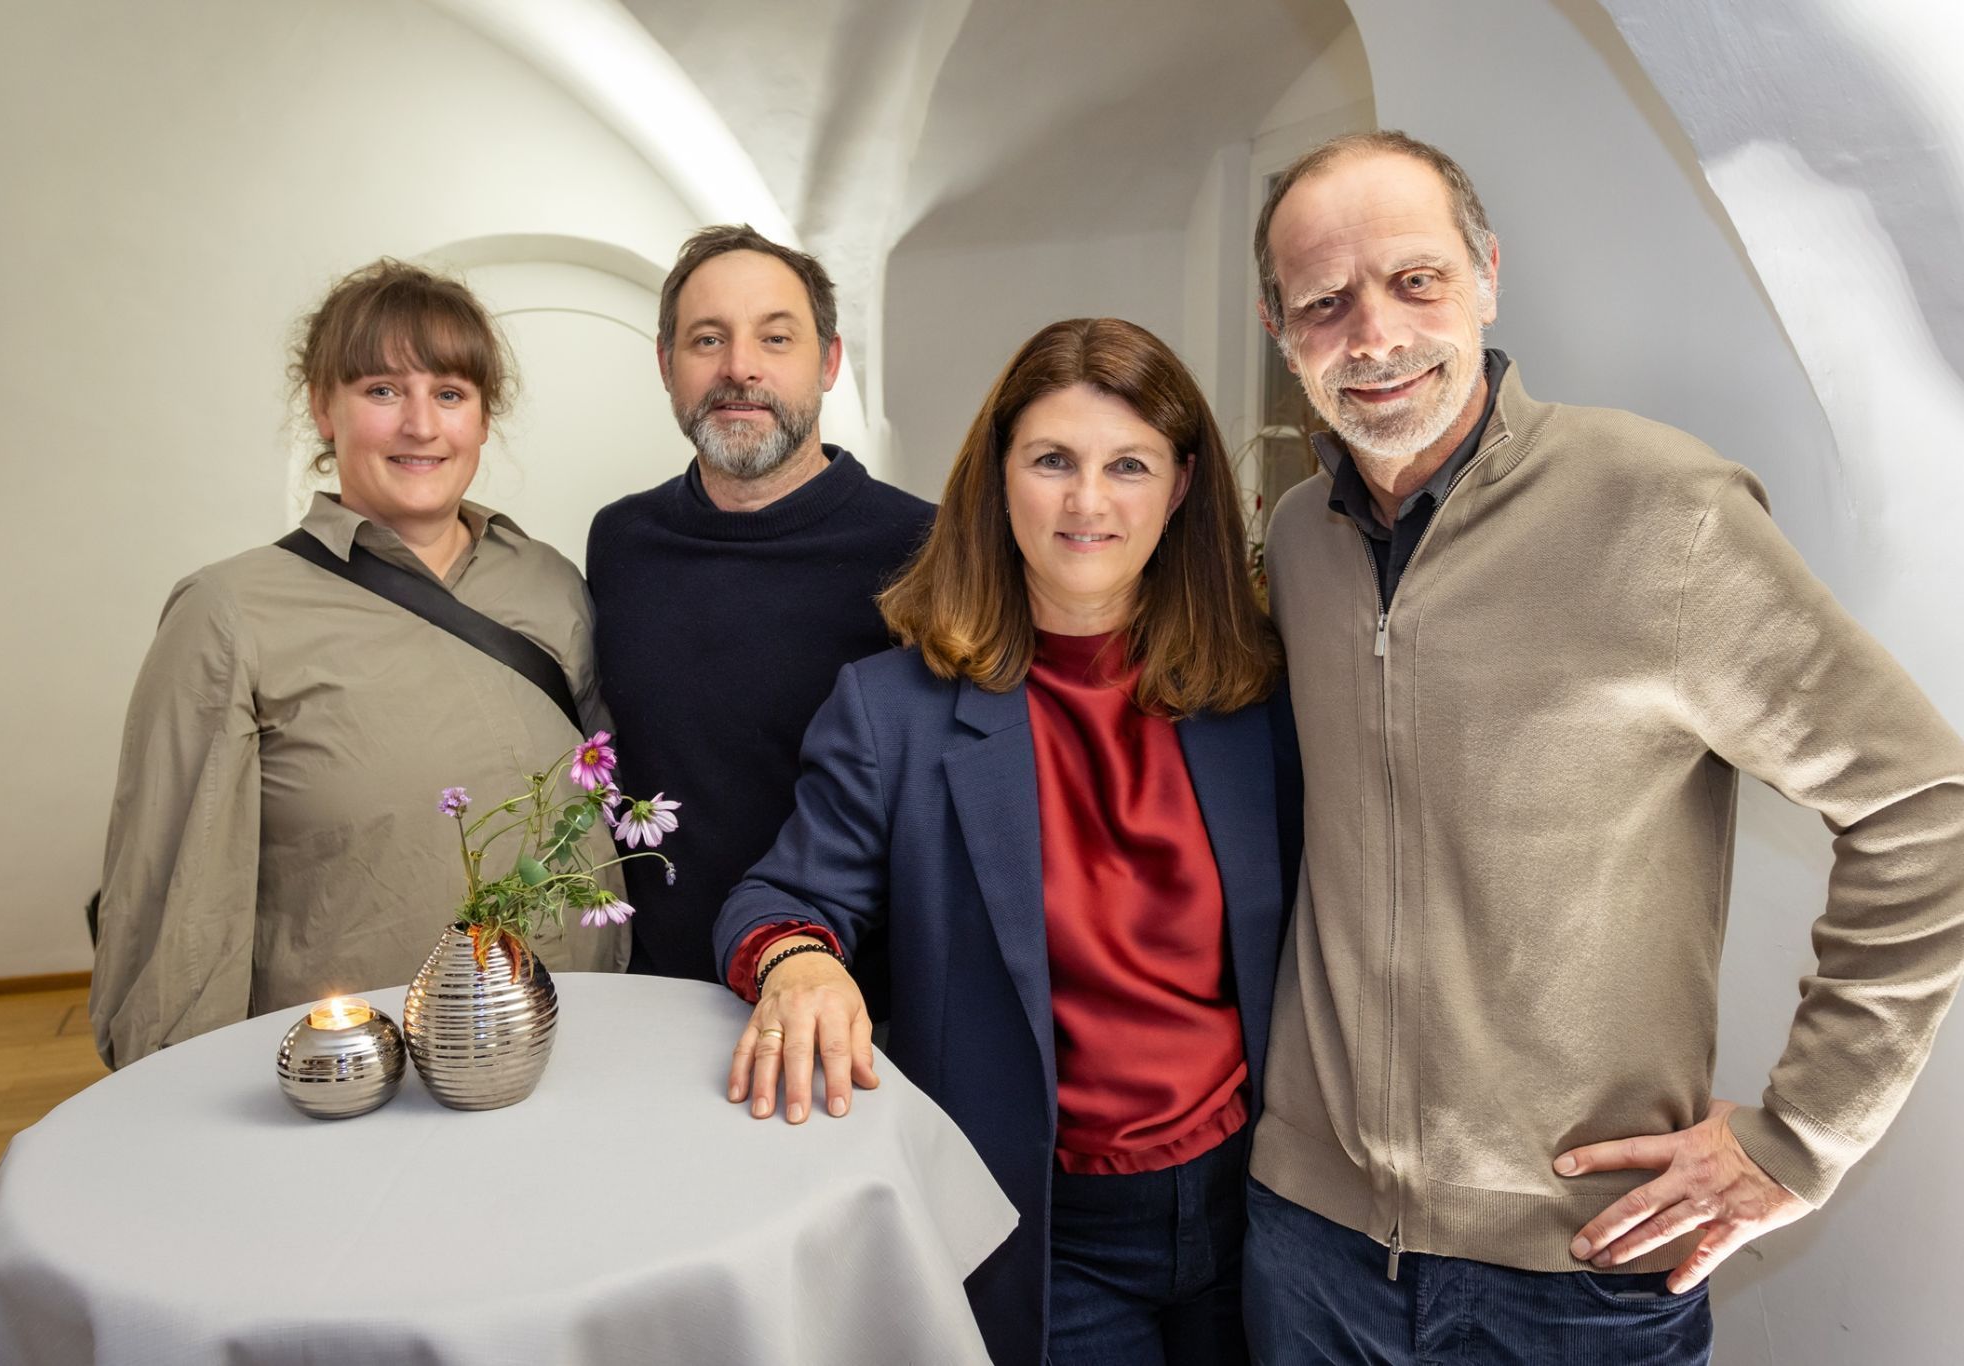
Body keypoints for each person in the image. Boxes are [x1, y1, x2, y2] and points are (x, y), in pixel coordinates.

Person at [1244, 129, 1964, 1364]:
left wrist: (1796, 1142)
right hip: (1304, 1244)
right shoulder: (1296, 537)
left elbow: (1922, 804)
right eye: (1324, 301)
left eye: (1413, 280)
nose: (1370, 337)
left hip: (1575, 1273)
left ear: (1484, 276)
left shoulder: (1659, 510)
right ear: (1278, 329)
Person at [710, 318, 1302, 1366]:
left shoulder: (1257, 692)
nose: (1087, 501)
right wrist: (798, 962)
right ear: (996, 480)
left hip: (1256, 1206)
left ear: (1177, 488)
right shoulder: (890, 709)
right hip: (1043, 1222)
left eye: (1127, 465)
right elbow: (776, 900)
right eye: (1051, 461)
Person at [91, 259, 628, 1069]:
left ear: (483, 419)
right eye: (382, 391)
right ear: (324, 407)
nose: (421, 426)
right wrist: (175, 1093)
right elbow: (176, 898)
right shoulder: (229, 612)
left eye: (450, 394)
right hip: (356, 1075)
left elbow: (599, 805)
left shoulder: (549, 582)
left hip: (569, 1040)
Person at [584, 225, 932, 986]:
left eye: (777, 339)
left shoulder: (926, 548)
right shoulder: (620, 541)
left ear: (829, 361)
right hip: (650, 995)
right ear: (666, 364)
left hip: (850, 1009)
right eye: (708, 339)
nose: (740, 368)